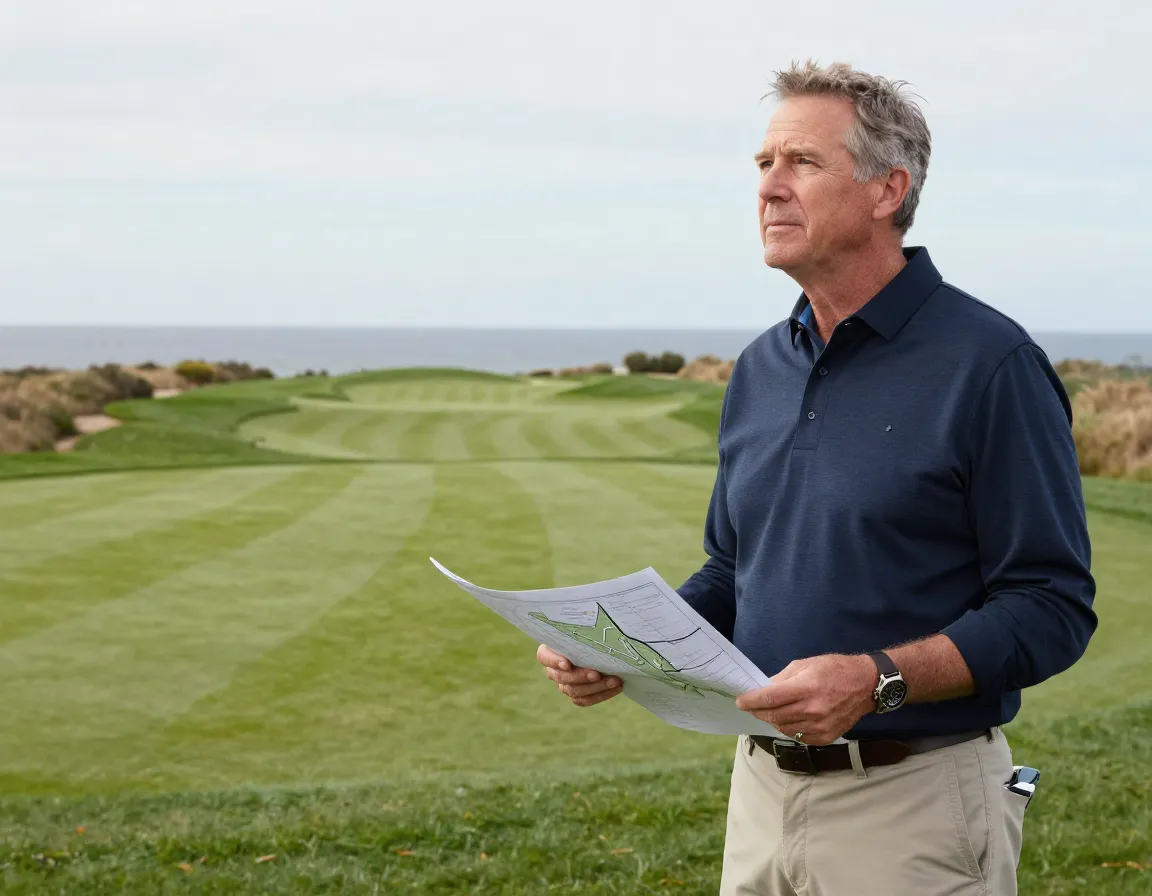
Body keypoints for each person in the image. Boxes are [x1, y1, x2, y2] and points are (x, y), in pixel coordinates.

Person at [537, 60, 1097, 895]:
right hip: (760, 793)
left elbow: (1051, 605)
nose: (769, 188)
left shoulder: (991, 365)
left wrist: (875, 680)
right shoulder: (761, 366)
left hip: (916, 805)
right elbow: (734, 570)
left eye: (800, 162)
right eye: (762, 165)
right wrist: (623, 647)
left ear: (887, 190)